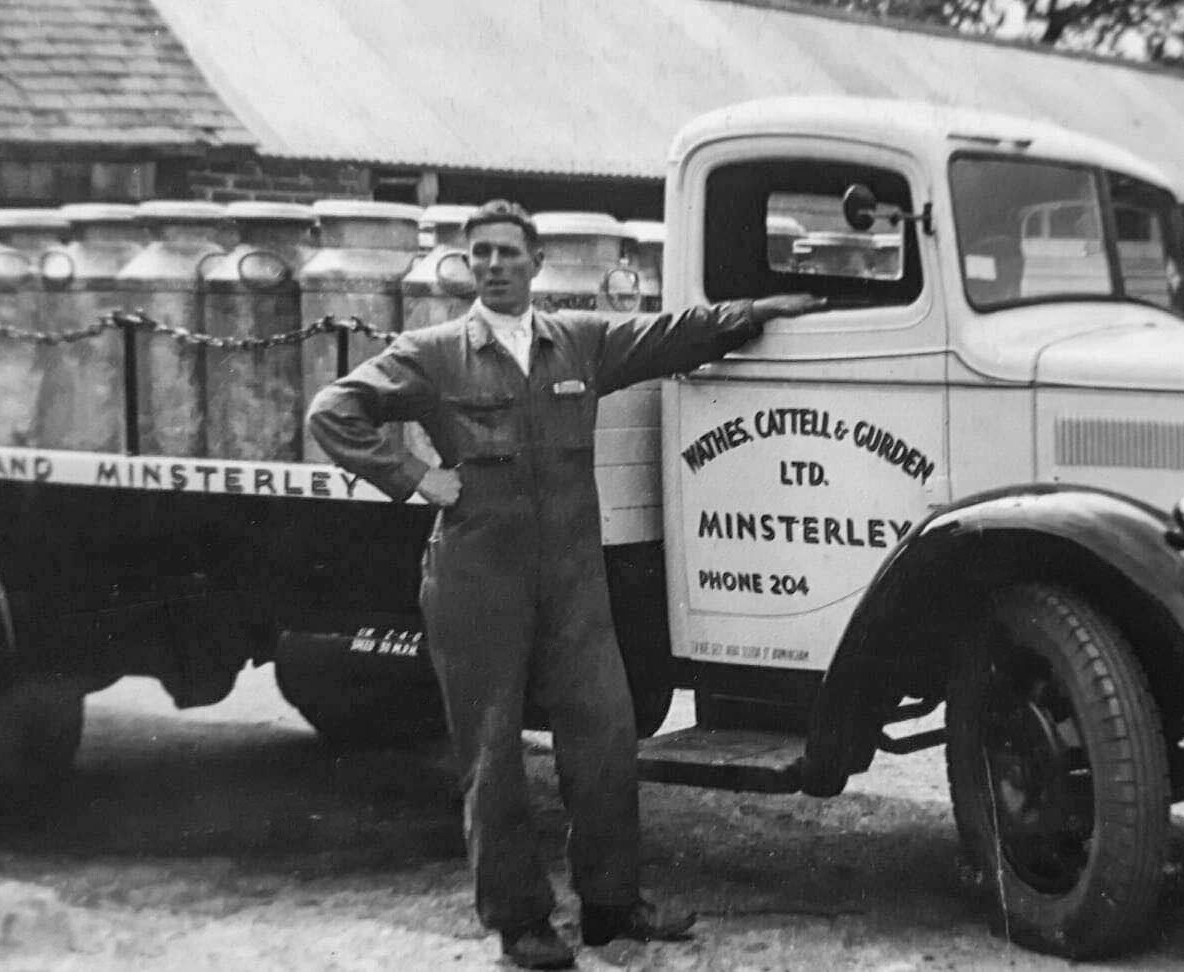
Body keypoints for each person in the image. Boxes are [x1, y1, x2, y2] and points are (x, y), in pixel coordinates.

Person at [307, 199, 824, 970]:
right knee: (494, 754)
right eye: (480, 254)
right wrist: (415, 476)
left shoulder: (578, 341)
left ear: (537, 262)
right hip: (479, 577)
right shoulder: (434, 352)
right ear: (465, 265)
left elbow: (669, 336)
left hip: (575, 576)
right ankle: (520, 922)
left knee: (606, 735)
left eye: (508, 253)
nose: (494, 265)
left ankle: (613, 907)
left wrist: (755, 312)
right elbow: (333, 409)